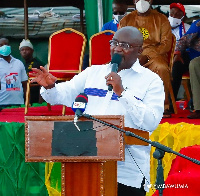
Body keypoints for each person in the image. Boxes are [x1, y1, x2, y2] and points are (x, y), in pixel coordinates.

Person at [31, 26, 165, 196]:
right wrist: (50, 87)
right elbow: (62, 95)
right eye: (114, 42)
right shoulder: (93, 72)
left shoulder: (151, 81)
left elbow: (150, 121)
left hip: (127, 172)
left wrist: (122, 93)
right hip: (85, 165)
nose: (117, 48)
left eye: (125, 45)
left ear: (139, 50)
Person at [118, 0, 172, 118]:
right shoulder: (126, 20)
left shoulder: (161, 19)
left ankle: (163, 107)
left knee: (162, 68)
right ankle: (123, 106)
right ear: (134, 1)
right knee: (115, 68)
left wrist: (147, 56)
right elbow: (120, 43)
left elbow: (166, 44)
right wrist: (133, 56)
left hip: (155, 56)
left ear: (151, 0)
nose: (142, 1)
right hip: (131, 55)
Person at [171, 19, 200, 112]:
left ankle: (195, 105)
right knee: (177, 66)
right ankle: (170, 104)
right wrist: (177, 53)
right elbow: (184, 39)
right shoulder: (198, 24)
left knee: (194, 65)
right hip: (191, 55)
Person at [0, 38, 28, 108]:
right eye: (1, 45)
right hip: (2, 103)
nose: (4, 47)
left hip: (18, 102)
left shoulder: (19, 63)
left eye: (6, 44)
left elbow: (25, 84)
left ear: (10, 46)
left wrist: (27, 101)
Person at [19, 39, 45, 104]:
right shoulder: (21, 64)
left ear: (32, 51)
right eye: (22, 50)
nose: (24, 52)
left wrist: (40, 99)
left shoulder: (38, 64)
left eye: (27, 49)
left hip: (35, 98)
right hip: (25, 98)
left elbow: (43, 83)